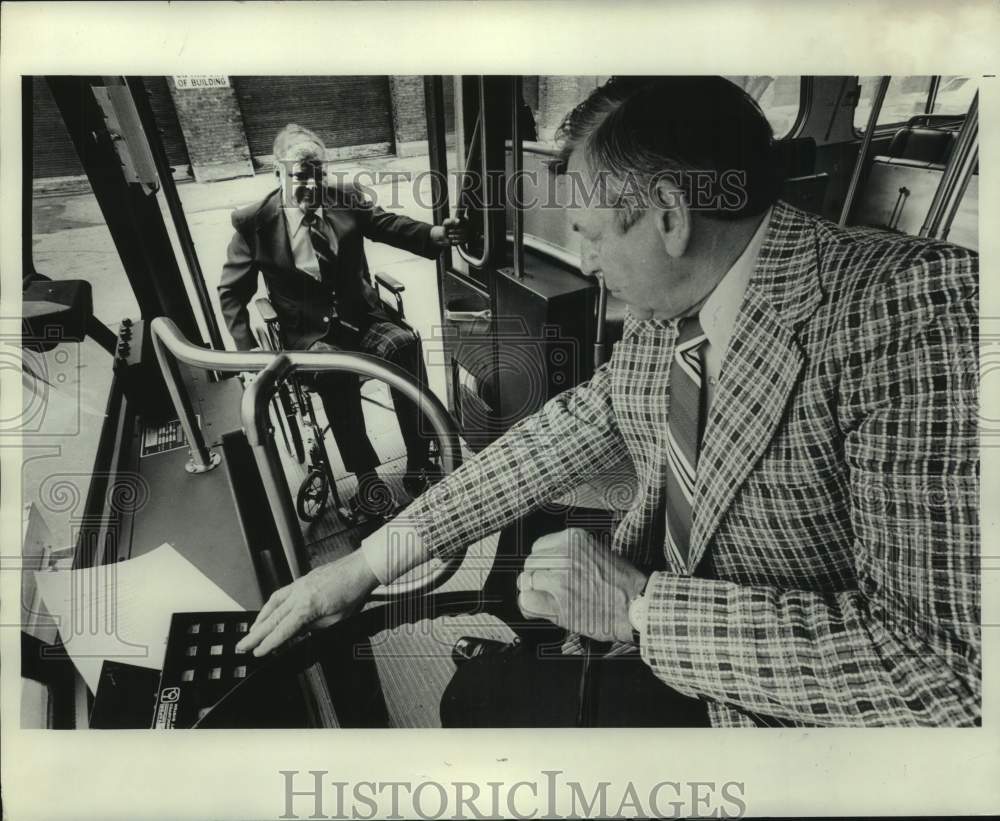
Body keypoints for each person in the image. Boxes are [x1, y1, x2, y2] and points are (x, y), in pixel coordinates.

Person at [236, 78, 980, 728]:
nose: (586, 264)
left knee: (473, 707)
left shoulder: (916, 311)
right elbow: (559, 436)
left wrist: (639, 608)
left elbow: (946, 677)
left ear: (668, 216)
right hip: (663, 611)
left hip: (775, 709)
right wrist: (365, 565)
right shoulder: (671, 314)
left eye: (590, 236)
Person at [218, 124, 465, 516]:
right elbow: (232, 293)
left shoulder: (345, 197)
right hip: (308, 334)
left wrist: (433, 233)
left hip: (360, 316)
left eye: (318, 175)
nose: (312, 187)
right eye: (301, 176)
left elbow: (385, 224)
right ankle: (366, 477)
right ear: (278, 173)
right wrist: (248, 357)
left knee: (404, 345)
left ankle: (419, 460)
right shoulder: (254, 223)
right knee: (336, 373)